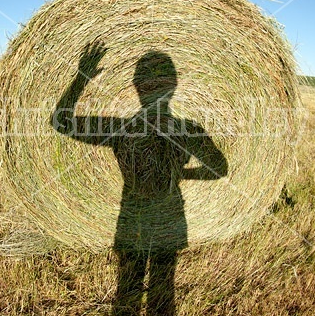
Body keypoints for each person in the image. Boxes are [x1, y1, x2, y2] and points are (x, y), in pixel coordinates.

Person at [52, 40, 228, 315]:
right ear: (175, 87)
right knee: (163, 297)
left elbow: (61, 122)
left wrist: (82, 78)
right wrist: (182, 173)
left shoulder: (121, 129)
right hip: (169, 219)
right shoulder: (187, 129)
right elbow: (219, 168)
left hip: (131, 219)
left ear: (135, 87)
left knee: (127, 294)